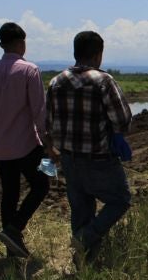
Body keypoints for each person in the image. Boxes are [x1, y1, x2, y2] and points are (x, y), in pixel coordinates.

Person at [46, 31, 133, 264]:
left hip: (69, 158)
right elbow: (123, 119)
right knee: (120, 200)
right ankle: (85, 238)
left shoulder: (56, 81)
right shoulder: (103, 80)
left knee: (81, 208)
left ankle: (83, 262)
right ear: (98, 54)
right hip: (99, 158)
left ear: (76, 52)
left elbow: (48, 121)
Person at [0, 22, 55, 258]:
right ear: (22, 43)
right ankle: (15, 228)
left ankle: (11, 250)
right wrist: (49, 143)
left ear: (1, 44)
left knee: (9, 193)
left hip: (0, 147)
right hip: (27, 145)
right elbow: (39, 111)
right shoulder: (30, 70)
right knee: (42, 185)